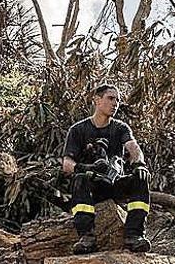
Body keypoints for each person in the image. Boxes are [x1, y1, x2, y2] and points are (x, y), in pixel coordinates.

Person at [61, 84, 152, 254]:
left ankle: (134, 235)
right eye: (110, 98)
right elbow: (66, 164)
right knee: (80, 178)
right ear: (97, 100)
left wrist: (139, 164)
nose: (115, 103)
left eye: (117, 100)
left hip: (115, 182)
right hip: (92, 186)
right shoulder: (78, 129)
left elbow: (134, 148)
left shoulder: (121, 127)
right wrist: (86, 168)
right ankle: (86, 237)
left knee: (141, 177)